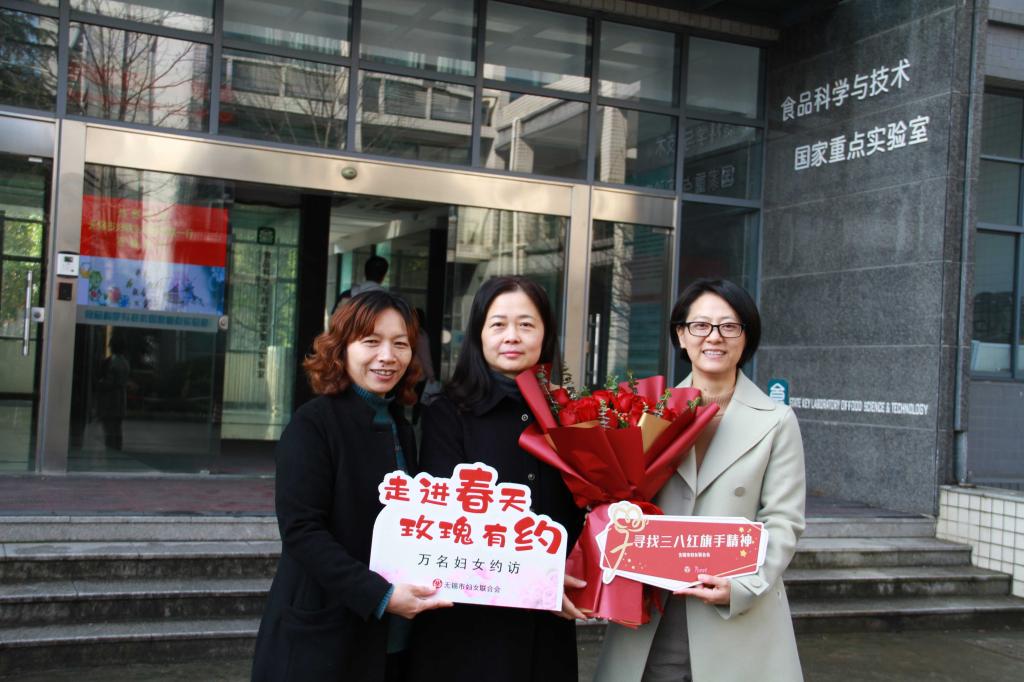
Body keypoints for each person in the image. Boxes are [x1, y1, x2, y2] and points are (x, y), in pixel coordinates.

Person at [595, 278, 806, 682]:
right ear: (681, 334)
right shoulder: (644, 413)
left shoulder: (777, 421)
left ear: (746, 336)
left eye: (729, 326)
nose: (714, 337)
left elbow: (784, 520)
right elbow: (616, 499)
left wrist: (744, 586)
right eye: (701, 325)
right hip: (654, 608)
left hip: (734, 611)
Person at [251, 290, 451, 682]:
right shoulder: (313, 425)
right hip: (325, 634)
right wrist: (380, 595)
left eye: (400, 344)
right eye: (371, 341)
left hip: (391, 635)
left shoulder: (401, 426)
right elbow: (302, 531)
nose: (387, 356)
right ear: (341, 348)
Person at [407, 276, 587, 682]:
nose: (512, 336)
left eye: (526, 324)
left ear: (545, 335)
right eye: (499, 324)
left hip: (547, 621)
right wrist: (535, 580)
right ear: (479, 334)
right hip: (468, 623)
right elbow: (450, 523)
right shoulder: (447, 412)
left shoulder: (571, 415)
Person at [95, 333, 130, 450]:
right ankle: (117, 451)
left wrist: (99, 384)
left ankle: (111, 452)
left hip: (109, 402)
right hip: (120, 401)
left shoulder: (111, 362)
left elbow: (109, 383)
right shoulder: (125, 362)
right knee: (117, 430)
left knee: (109, 431)